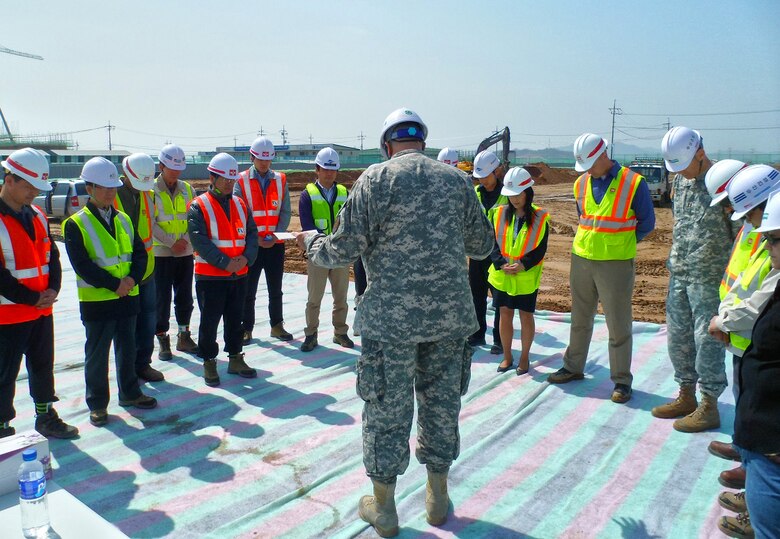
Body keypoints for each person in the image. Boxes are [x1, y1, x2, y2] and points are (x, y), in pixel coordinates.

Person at [297, 107, 494, 537]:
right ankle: (437, 497)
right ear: (422, 141)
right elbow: (483, 247)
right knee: (442, 406)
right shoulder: (457, 180)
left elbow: (340, 251)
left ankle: (384, 509)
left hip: (391, 324)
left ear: (388, 144)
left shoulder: (375, 179)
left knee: (386, 408)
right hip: (449, 320)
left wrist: (311, 241)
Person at [548, 133, 655, 404]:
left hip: (615, 264)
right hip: (582, 257)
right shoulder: (581, 183)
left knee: (618, 323)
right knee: (580, 317)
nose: (587, 170)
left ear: (603, 155)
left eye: (590, 164)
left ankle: (621, 380)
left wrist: (620, 243)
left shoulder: (633, 183)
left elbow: (647, 223)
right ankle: (573, 367)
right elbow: (584, 217)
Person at [652, 127, 737, 432]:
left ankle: (709, 405)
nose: (681, 172)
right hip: (680, 273)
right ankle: (686, 394)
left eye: (684, 165)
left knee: (707, 340)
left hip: (709, 278)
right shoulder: (681, 182)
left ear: (700, 154)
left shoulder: (724, 185)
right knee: (678, 336)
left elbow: (741, 237)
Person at [64, 157, 157, 427]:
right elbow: (82, 265)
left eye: (113, 187)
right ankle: (97, 404)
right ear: (89, 188)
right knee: (97, 354)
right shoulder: (76, 223)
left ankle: (130, 392)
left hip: (128, 298)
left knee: (127, 349)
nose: (110, 192)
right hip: (99, 302)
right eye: (104, 188)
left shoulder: (124, 220)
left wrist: (130, 280)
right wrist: (115, 284)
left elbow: (140, 254)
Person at [707, 165, 780, 493]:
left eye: (747, 214)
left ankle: (757, 480)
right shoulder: (763, 233)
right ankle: (748, 456)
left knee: (762, 414)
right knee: (746, 397)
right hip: (743, 332)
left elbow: (763, 298)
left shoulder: (772, 235)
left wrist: (724, 321)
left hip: (755, 333)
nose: (744, 220)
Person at [0, 148, 78, 439]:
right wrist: (32, 298)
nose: (34, 193)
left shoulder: (37, 214)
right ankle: (2, 428)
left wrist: (53, 289)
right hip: (7, 315)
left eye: (38, 187)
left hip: (41, 310)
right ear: (9, 179)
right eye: (29, 186)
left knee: (43, 367)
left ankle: (45, 416)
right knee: (4, 376)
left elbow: (52, 257)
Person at [188, 153, 259, 387]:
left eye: (232, 179)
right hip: (211, 276)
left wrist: (247, 258)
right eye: (224, 179)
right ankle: (209, 361)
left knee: (235, 318)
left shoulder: (240, 204)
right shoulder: (199, 206)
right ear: (212, 177)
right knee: (210, 320)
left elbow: (251, 234)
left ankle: (235, 357)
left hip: (239, 274)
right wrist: (225, 262)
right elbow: (200, 241)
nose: (229, 183)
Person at [488, 167, 550, 376]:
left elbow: (540, 248)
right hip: (503, 275)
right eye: (511, 195)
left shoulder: (540, 217)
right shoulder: (498, 214)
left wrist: (523, 264)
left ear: (528, 192)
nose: (515, 199)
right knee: (504, 314)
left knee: (525, 316)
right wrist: (499, 262)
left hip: (525, 277)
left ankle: (524, 357)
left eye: (519, 194)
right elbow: (491, 243)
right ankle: (508, 356)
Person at [234, 136, 293, 343]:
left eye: (268, 160)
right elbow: (238, 212)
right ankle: (246, 328)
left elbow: (285, 211)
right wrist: (255, 239)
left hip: (275, 244)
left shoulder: (280, 179)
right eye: (260, 159)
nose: (264, 163)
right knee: (248, 290)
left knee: (275, 288)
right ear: (252, 157)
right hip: (252, 246)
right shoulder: (240, 181)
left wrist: (275, 235)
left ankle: (277, 325)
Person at [298, 147, 354, 352]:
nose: (329, 173)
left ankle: (340, 332)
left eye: (333, 169)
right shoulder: (307, 195)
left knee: (341, 297)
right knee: (314, 299)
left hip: (339, 254)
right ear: (317, 170)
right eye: (325, 169)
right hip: (317, 255)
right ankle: (311, 334)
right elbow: (306, 225)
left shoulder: (343, 193)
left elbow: (350, 222)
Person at [115, 153, 164, 383]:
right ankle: (127, 372)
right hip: (122, 275)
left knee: (147, 321)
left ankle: (143, 364)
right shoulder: (112, 196)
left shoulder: (148, 195)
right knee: (126, 328)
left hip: (146, 272)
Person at [152, 144, 199, 359]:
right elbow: (149, 223)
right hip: (161, 254)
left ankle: (184, 335)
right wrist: (171, 242)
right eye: (172, 168)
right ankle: (162, 339)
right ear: (161, 166)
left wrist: (185, 242)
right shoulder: (150, 191)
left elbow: (194, 219)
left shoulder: (188, 189)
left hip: (184, 252)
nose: (176, 173)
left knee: (184, 298)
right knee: (161, 299)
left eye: (179, 169)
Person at [469, 149, 508, 354]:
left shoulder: (508, 195)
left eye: (485, 176)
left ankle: (499, 339)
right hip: (478, 253)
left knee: (500, 298)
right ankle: (477, 334)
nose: (482, 181)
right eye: (479, 177)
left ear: (497, 171)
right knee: (476, 296)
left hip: (499, 255)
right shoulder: (475, 194)